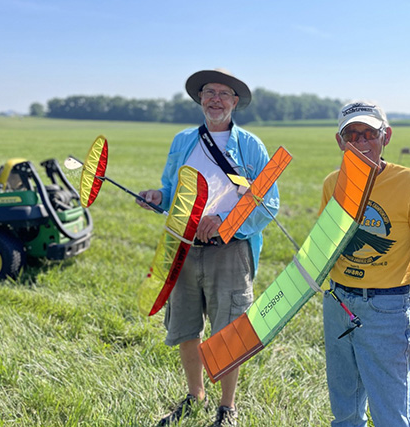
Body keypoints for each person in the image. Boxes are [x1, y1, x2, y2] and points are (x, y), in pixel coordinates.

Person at [137, 69, 279, 427]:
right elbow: (171, 191)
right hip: (183, 246)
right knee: (186, 326)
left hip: (230, 250)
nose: (216, 99)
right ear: (200, 98)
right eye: (209, 92)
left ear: (235, 102)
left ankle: (226, 407)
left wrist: (225, 223)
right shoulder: (183, 140)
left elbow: (269, 202)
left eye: (224, 94)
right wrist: (157, 197)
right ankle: (195, 394)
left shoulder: (251, 146)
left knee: (228, 330)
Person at [319, 101, 410, 426]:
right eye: (352, 135)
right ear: (339, 141)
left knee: (391, 415)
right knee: (344, 409)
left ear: (385, 136)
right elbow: (324, 248)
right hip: (338, 303)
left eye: (369, 133)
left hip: (386, 308)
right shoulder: (333, 184)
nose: (360, 143)